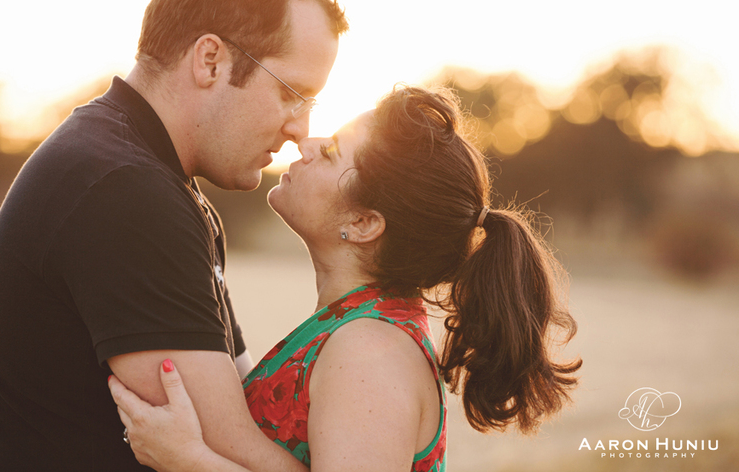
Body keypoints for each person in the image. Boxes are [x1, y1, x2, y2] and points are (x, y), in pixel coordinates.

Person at [0, 0, 347, 469]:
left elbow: (245, 409)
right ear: (210, 60)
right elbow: (233, 451)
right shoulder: (124, 191)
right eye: (290, 94)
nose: (300, 129)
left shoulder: (155, 181)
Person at [108, 85, 583, 471]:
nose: (305, 144)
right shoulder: (356, 328)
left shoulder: (372, 355)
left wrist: (188, 461)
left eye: (331, 151)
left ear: (363, 223)